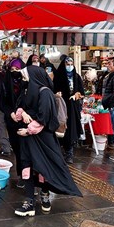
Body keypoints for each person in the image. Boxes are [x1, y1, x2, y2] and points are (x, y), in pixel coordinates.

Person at [13, 66, 82, 217]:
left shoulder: (45, 93)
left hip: (42, 139)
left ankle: (45, 195)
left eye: (26, 76)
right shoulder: (28, 90)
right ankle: (29, 201)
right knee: (27, 166)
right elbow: (21, 106)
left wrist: (28, 130)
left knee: (42, 167)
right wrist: (21, 113)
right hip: (27, 138)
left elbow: (44, 118)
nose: (24, 79)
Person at [53, 56, 84, 164]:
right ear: (63, 65)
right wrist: (56, 94)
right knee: (60, 128)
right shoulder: (58, 77)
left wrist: (77, 95)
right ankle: (57, 151)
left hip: (72, 107)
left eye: (71, 64)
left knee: (71, 129)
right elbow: (52, 90)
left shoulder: (76, 77)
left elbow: (81, 92)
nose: (70, 66)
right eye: (67, 64)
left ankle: (69, 153)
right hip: (61, 107)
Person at [3, 58, 26, 188]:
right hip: (12, 122)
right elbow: (3, 101)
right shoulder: (6, 82)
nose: (15, 72)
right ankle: (21, 175)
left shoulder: (27, 83)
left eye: (17, 69)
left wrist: (22, 113)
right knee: (17, 149)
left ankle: (27, 175)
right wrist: (11, 113)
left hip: (25, 122)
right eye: (12, 70)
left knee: (25, 149)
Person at [95, 60, 114, 149]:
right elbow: (100, 87)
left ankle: (112, 142)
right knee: (107, 121)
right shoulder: (104, 74)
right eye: (104, 64)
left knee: (111, 122)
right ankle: (109, 141)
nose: (106, 66)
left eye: (108, 64)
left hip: (109, 101)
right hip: (103, 99)